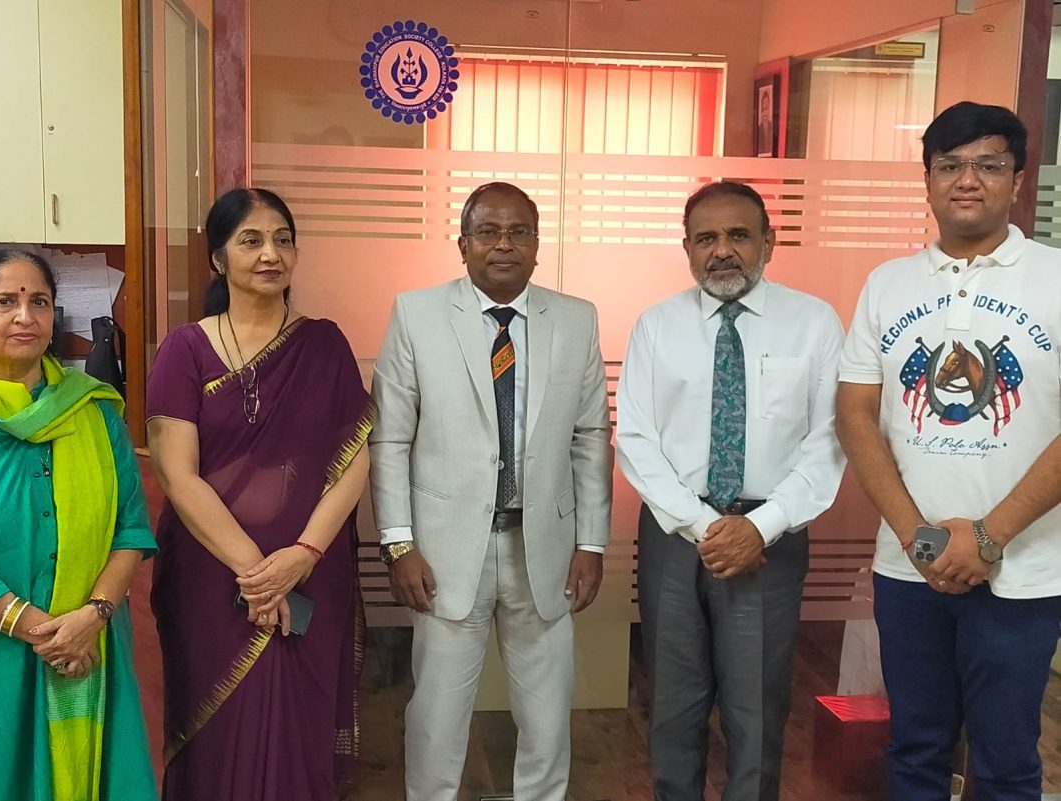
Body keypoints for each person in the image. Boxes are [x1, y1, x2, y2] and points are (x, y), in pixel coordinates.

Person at [837, 101, 1061, 801]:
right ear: (928, 179)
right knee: (916, 748)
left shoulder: (1055, 277)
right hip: (910, 568)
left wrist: (988, 537)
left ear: (1017, 180)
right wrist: (921, 538)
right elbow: (856, 414)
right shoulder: (888, 283)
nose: (968, 179)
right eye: (950, 165)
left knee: (1006, 761)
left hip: (1023, 572)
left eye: (989, 164)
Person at [369, 181, 613, 801]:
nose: (504, 244)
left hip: (544, 546)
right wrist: (398, 545)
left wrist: (591, 544)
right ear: (463, 244)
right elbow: (389, 440)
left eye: (518, 232)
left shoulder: (576, 318)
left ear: (537, 243)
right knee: (437, 718)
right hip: (445, 551)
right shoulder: (417, 315)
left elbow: (590, 437)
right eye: (488, 232)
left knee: (547, 719)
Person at [616, 181, 846, 801]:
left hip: (770, 538)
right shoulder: (657, 326)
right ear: (687, 248)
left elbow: (829, 441)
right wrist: (705, 527)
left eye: (739, 235)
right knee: (673, 705)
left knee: (758, 710)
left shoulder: (814, 323)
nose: (722, 250)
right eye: (706, 238)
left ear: (768, 242)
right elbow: (635, 439)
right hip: (675, 536)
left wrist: (759, 528)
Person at [146, 188, 373, 801]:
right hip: (213, 576)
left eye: (282, 239)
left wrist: (303, 555)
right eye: (251, 240)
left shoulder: (324, 345)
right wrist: (257, 574)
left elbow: (354, 459)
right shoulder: (184, 349)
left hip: (309, 572)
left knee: (298, 726)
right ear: (218, 258)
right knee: (219, 733)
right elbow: (178, 474)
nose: (270, 253)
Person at [0, 249, 157, 801]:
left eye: (39, 302)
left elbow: (131, 529)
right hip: (2, 652)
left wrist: (92, 617)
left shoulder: (94, 410)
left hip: (91, 640)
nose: (25, 316)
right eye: (5, 302)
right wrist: (42, 631)